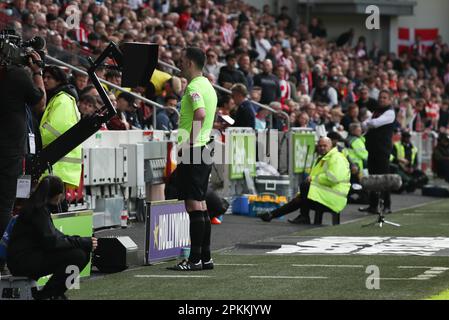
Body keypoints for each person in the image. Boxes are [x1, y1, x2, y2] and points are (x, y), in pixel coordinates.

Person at [7, 176, 97, 300]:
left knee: (82, 253)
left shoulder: (37, 207)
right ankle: (48, 295)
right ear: (57, 195)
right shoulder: (38, 211)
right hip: (24, 262)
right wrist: (82, 241)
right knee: (78, 256)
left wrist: (82, 241)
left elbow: (54, 236)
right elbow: (52, 241)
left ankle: (53, 293)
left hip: (24, 259)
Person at [168, 47, 217, 271]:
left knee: (193, 204)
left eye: (181, 60)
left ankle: (195, 259)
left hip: (195, 149)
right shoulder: (208, 85)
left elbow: (200, 114)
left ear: (188, 62)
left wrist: (188, 142)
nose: (179, 64)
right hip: (204, 147)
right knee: (201, 204)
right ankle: (205, 257)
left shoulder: (195, 87)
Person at [0, 48, 46, 272]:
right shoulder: (15, 75)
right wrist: (37, 70)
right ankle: (1, 259)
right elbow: (39, 102)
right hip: (8, 151)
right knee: (4, 204)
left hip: (9, 149)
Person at [259, 137, 350, 224]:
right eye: (320, 146)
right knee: (300, 197)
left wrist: (313, 179)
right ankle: (271, 215)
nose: (322, 148)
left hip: (334, 198)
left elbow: (334, 178)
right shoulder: (322, 158)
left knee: (305, 187)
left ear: (331, 146)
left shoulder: (336, 158)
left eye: (325, 146)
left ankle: (300, 216)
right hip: (325, 194)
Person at [40, 66, 81, 197]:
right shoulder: (59, 98)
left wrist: (35, 140)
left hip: (57, 165)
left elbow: (53, 131)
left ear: (59, 81)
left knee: (53, 208)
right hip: (58, 166)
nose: (45, 80)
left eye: (49, 78)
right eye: (43, 77)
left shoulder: (62, 99)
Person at [359, 90, 395, 215]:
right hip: (372, 148)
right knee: (373, 178)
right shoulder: (376, 111)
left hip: (382, 150)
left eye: (385, 98)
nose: (381, 99)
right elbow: (364, 124)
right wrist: (368, 123)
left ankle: (387, 205)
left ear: (390, 100)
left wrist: (368, 123)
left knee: (384, 178)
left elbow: (374, 123)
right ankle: (373, 205)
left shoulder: (390, 112)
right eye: (380, 97)